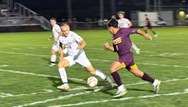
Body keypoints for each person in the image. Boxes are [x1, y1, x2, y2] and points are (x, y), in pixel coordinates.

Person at [104, 19, 161, 98]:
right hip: (126, 57)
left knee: (112, 69)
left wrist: (145, 35)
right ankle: (155, 82)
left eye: (108, 28)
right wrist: (108, 47)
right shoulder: (114, 37)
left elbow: (136, 30)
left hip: (126, 56)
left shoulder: (123, 31)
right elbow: (115, 49)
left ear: (111, 27)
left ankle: (121, 89)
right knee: (138, 73)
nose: (108, 30)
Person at [57, 23, 115, 91]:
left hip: (80, 56)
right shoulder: (61, 38)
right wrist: (61, 56)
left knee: (92, 71)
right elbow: (60, 45)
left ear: (69, 28)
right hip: (71, 57)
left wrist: (80, 47)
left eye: (67, 30)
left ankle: (108, 80)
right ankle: (65, 85)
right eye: (63, 31)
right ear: (61, 31)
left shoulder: (73, 35)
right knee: (60, 65)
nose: (65, 32)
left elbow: (84, 42)